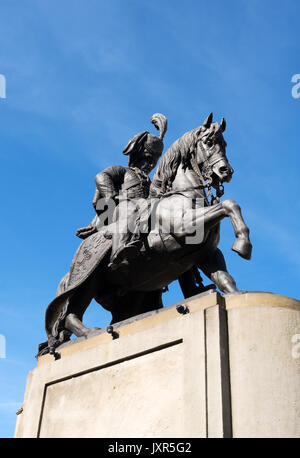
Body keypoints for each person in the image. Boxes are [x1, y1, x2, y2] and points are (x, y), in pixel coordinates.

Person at [76, 113, 168, 268]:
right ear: (138, 155)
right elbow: (101, 176)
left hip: (144, 212)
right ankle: (119, 252)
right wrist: (112, 195)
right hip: (121, 209)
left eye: (153, 161)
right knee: (131, 208)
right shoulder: (122, 171)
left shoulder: (150, 181)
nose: (150, 164)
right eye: (147, 158)